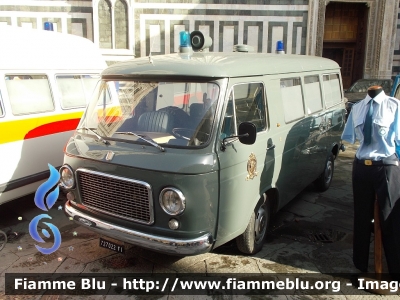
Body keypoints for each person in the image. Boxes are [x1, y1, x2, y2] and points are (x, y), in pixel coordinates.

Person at [341, 85, 400, 279]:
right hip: (361, 166)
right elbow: (350, 138)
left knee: (390, 217)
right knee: (361, 216)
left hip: (385, 166)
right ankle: (361, 264)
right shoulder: (357, 108)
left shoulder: (394, 106)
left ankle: (395, 269)